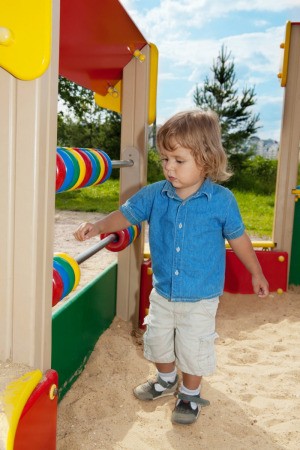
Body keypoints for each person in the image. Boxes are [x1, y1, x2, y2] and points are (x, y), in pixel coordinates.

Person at [73, 109, 269, 426]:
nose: (169, 168)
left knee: (193, 348)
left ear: (205, 160)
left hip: (201, 297)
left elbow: (240, 239)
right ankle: (166, 380)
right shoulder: (154, 194)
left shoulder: (221, 200)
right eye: (165, 159)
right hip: (164, 291)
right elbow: (125, 215)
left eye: (179, 160)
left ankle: (190, 394)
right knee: (158, 341)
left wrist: (257, 272)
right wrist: (97, 227)